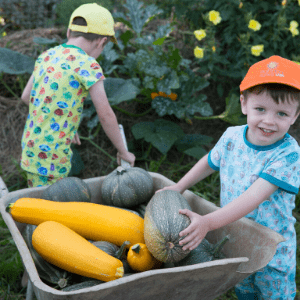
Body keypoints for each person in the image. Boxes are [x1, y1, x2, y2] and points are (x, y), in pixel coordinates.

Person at [157, 55, 300, 299]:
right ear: (244, 104)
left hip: (272, 247)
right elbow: (209, 162)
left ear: (295, 116)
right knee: (243, 288)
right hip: (236, 236)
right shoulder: (232, 136)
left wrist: (208, 222)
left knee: (272, 293)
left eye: (282, 114)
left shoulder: (288, 154)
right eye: (260, 109)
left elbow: (253, 198)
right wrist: (179, 187)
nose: (269, 121)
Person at [19, 3, 135, 188]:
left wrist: (61, 121)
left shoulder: (47, 55)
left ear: (68, 32)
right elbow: (105, 115)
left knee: (37, 202)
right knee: (51, 205)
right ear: (101, 42)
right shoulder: (88, 64)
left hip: (31, 148)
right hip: (53, 156)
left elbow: (27, 96)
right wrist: (123, 152)